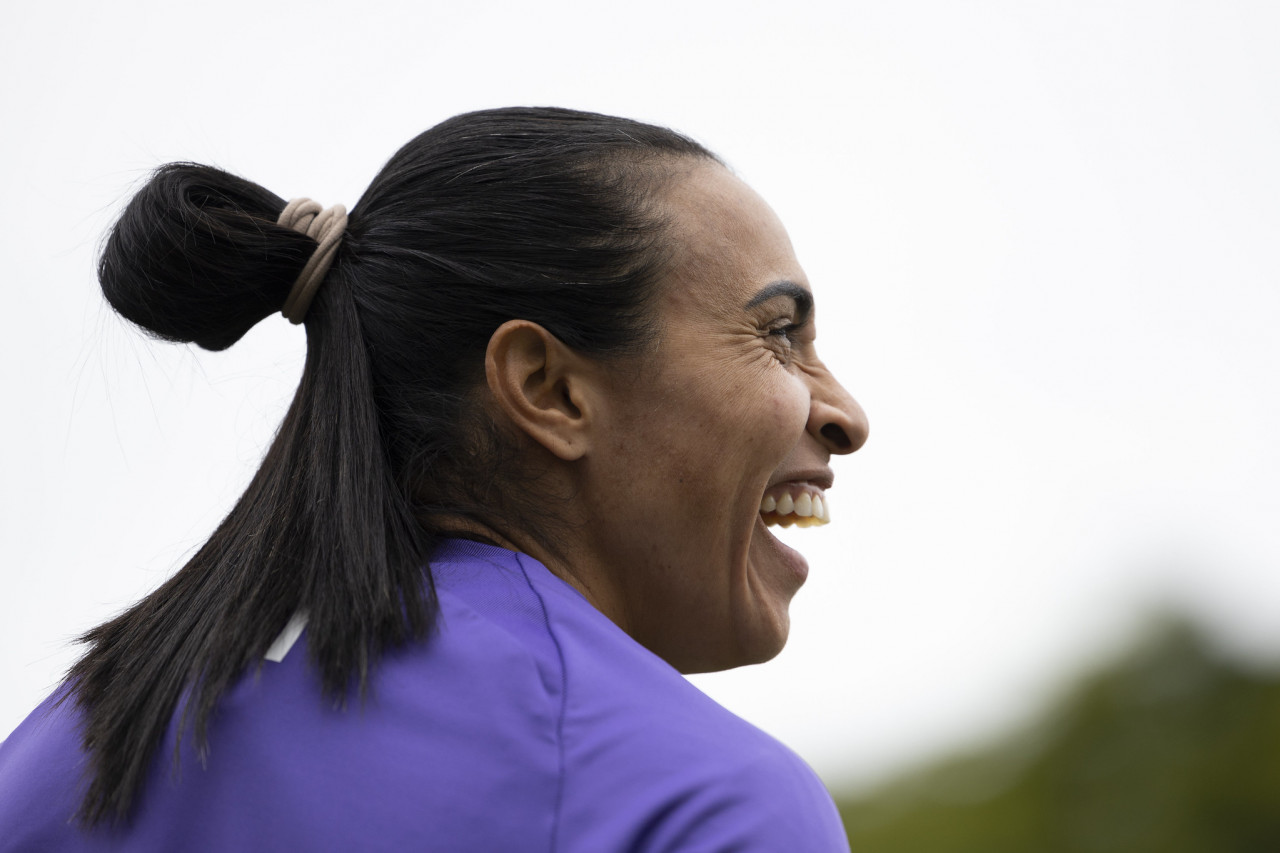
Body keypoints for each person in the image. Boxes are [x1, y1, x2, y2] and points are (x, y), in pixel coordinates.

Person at [0, 107, 867, 851]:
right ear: (548, 388)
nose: (845, 415)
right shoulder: (697, 802)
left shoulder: (63, 744)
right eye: (779, 332)